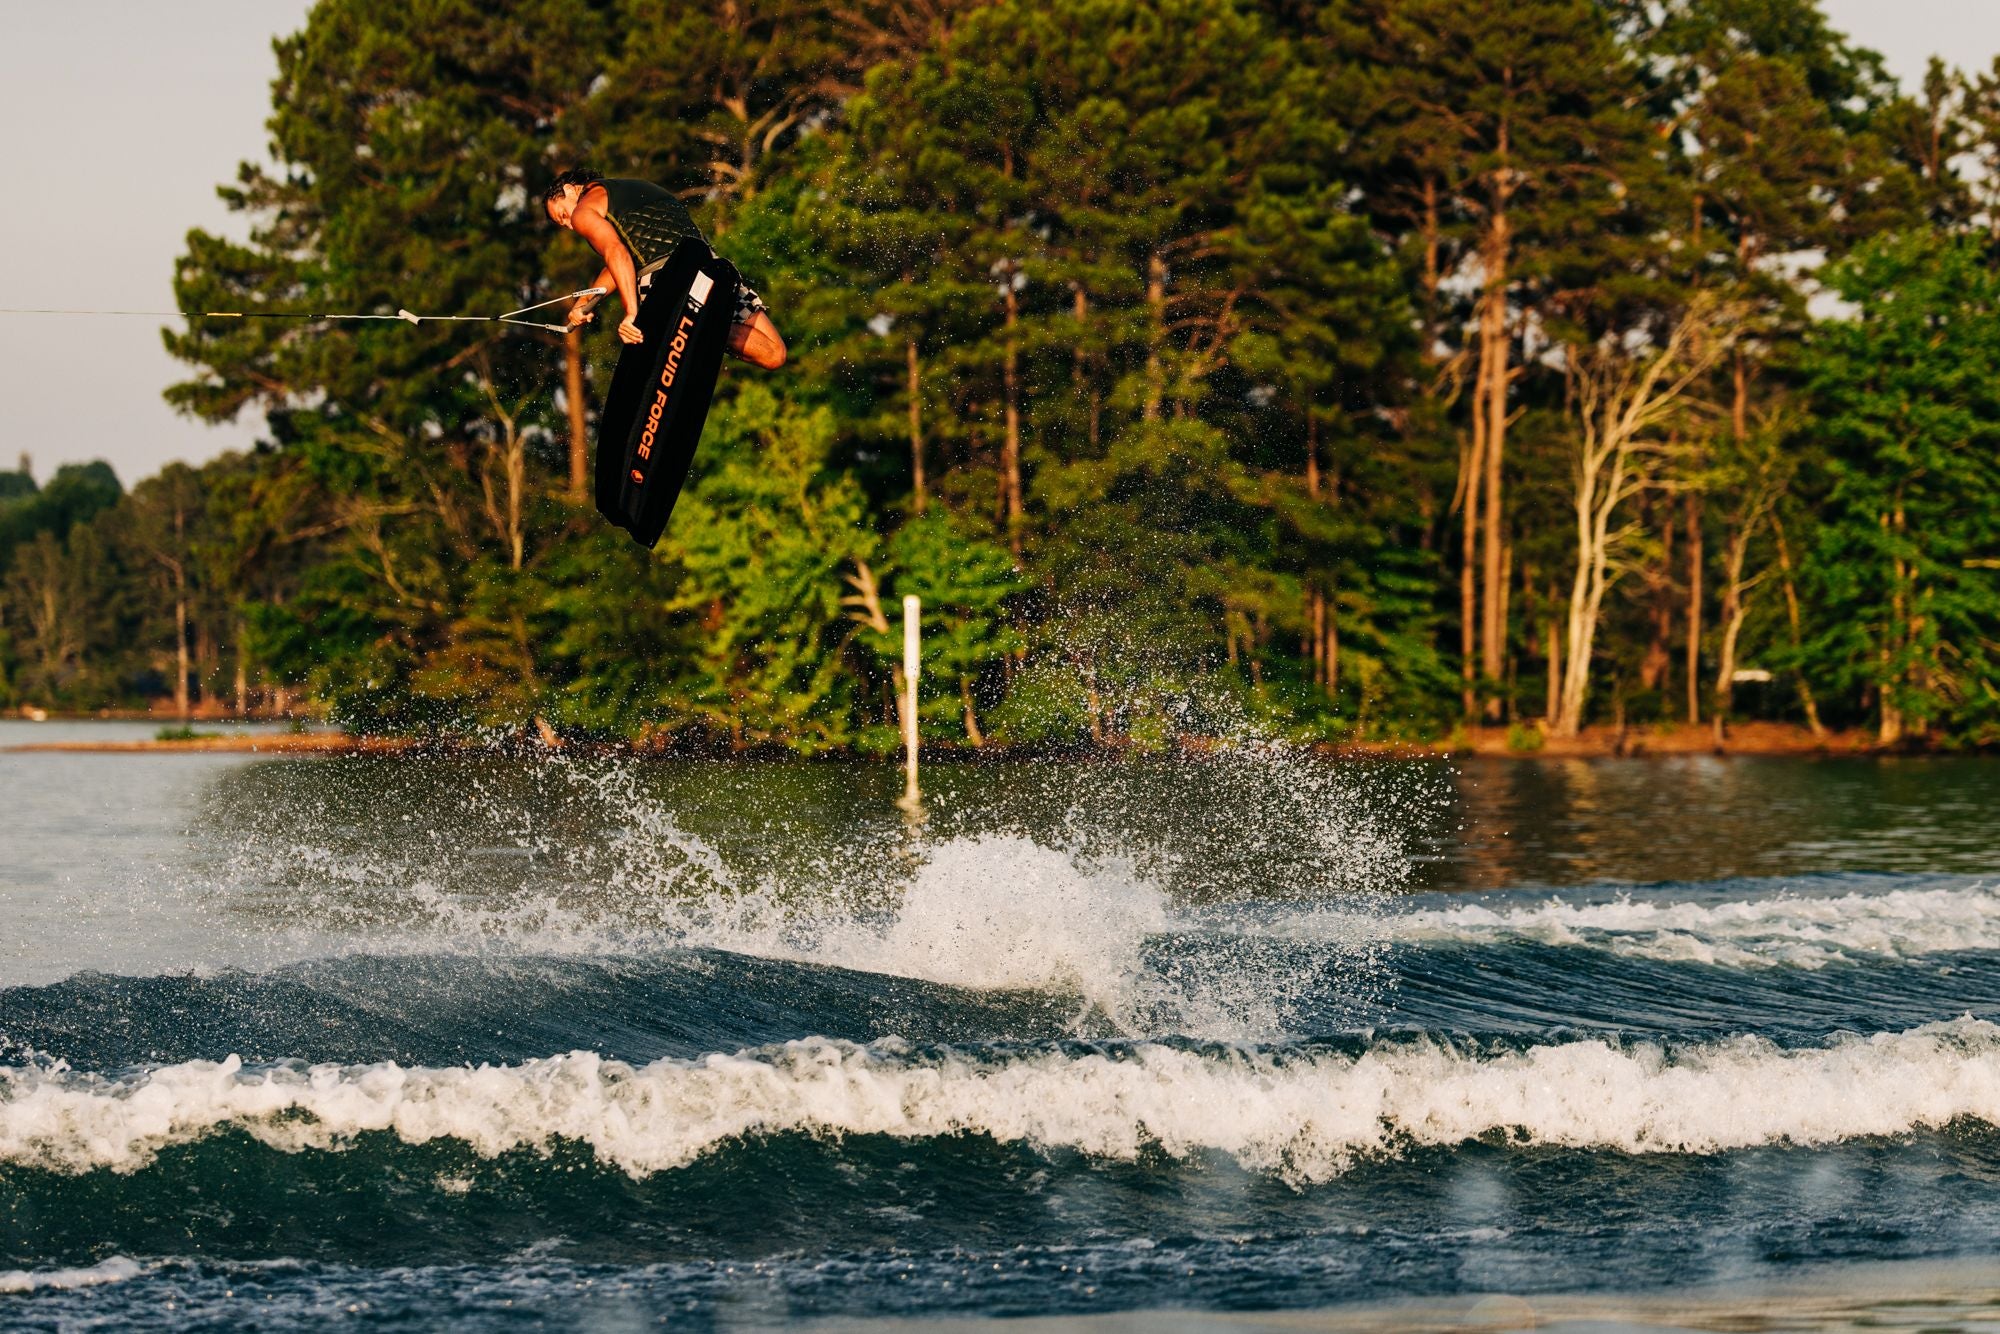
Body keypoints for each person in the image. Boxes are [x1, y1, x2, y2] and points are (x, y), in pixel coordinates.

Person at [543, 168, 787, 370]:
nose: (570, 224)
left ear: (568, 189)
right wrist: (584, 301)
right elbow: (621, 260)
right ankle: (704, 324)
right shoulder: (634, 186)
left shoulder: (584, 211)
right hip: (713, 270)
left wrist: (632, 313)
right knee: (774, 354)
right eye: (563, 223)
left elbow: (617, 254)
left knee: (649, 341)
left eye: (563, 214)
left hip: (665, 281)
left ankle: (693, 325)